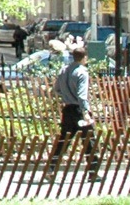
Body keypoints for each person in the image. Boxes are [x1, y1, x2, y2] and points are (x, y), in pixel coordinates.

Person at [42, 39, 102, 183]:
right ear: (84, 58)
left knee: (63, 141)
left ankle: (51, 169)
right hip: (80, 111)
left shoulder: (64, 70)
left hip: (67, 110)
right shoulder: (82, 72)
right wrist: (86, 112)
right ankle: (93, 172)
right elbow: (82, 95)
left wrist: (67, 95)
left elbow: (56, 89)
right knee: (90, 142)